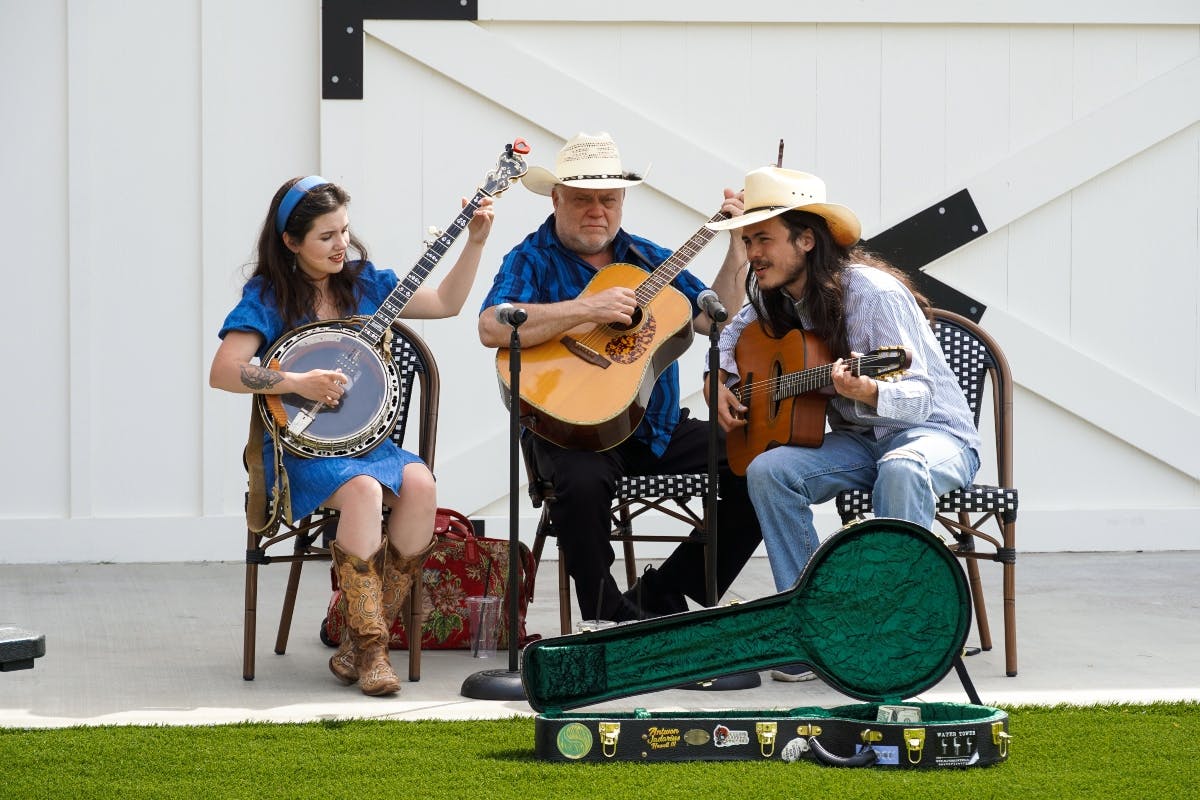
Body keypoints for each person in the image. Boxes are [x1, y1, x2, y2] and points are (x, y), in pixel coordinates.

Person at [210, 175, 494, 695]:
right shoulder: (269, 297)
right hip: (300, 451)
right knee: (363, 490)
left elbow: (447, 303)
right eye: (326, 236)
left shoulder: (363, 283)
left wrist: (474, 240)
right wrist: (298, 382)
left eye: (344, 230)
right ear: (291, 242)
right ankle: (372, 652)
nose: (341, 244)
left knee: (423, 484)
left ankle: (363, 640)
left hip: (369, 446)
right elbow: (224, 370)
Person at [707, 166, 981, 680]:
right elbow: (725, 342)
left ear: (806, 240)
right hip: (859, 442)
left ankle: (896, 629)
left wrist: (870, 387)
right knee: (769, 471)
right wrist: (717, 386)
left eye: (762, 238)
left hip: (935, 437)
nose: (752, 253)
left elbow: (920, 399)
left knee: (901, 467)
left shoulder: (871, 293)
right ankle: (812, 625)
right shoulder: (773, 295)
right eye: (747, 240)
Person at [477, 132, 762, 622]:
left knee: (761, 463)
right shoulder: (531, 259)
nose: (596, 211)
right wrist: (585, 309)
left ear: (622, 201)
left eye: (607, 199)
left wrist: (736, 249)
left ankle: (672, 590)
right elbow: (491, 326)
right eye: (583, 199)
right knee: (581, 485)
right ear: (556, 198)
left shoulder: (647, 257)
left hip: (657, 427)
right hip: (574, 435)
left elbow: (713, 317)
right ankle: (609, 613)